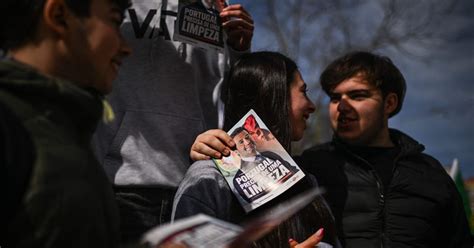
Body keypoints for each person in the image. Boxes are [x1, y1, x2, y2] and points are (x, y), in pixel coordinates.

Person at [190, 51, 473, 247]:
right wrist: (209, 149)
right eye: (335, 97)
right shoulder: (309, 168)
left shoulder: (431, 174)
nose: (342, 106)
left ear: (389, 104)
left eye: (358, 95)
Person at [91, 0, 254, 243]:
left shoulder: (218, 7)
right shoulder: (120, 5)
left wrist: (238, 49)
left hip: (197, 187)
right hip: (118, 182)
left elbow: (230, 98)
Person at [172, 51, 339, 247]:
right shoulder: (209, 180)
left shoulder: (305, 181)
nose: (312, 106)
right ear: (275, 94)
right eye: (303, 91)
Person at [0, 0, 131, 247]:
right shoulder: (9, 125)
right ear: (59, 16)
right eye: (114, 21)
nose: (126, 48)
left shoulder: (66, 123)